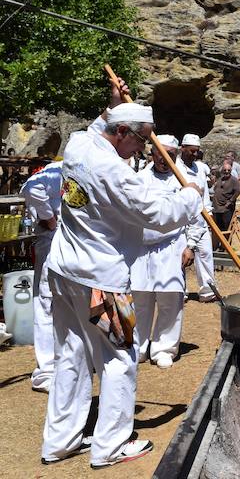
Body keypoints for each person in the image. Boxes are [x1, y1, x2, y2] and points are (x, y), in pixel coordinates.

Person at [41, 81, 201, 468]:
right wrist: (192, 194)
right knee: (120, 356)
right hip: (103, 282)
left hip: (63, 272)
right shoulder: (115, 172)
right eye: (140, 141)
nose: (143, 150)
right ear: (122, 132)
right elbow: (159, 215)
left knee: (72, 354)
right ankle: (110, 445)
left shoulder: (79, 144)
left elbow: (96, 126)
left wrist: (114, 104)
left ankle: (60, 442)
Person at [132, 136, 194, 369]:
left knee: (170, 298)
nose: (164, 158)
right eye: (160, 153)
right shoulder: (139, 179)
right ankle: (138, 346)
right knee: (140, 298)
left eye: (170, 154)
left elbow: (195, 214)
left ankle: (164, 347)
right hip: (140, 248)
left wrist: (191, 245)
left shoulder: (183, 180)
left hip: (172, 245)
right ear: (152, 154)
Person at [21, 159, 63, 393]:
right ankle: (48, 369)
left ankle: (57, 366)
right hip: (58, 241)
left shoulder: (92, 166)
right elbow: (32, 187)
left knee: (57, 305)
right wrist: (49, 218)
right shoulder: (58, 170)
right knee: (50, 304)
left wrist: (49, 218)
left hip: (68, 243)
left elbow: (32, 187)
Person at [178, 134, 217, 303]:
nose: (195, 154)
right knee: (181, 257)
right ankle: (181, 291)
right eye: (192, 151)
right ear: (183, 149)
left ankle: (208, 290)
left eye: (197, 151)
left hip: (201, 220)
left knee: (206, 254)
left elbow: (205, 196)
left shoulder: (200, 168)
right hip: (182, 221)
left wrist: (209, 214)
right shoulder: (175, 168)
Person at [211, 160, 240, 248]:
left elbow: (238, 190)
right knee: (218, 228)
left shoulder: (233, 180)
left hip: (226, 208)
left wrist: (231, 201)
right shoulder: (220, 179)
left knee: (226, 228)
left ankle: (225, 247)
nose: (227, 172)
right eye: (225, 170)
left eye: (228, 170)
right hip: (217, 208)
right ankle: (217, 245)